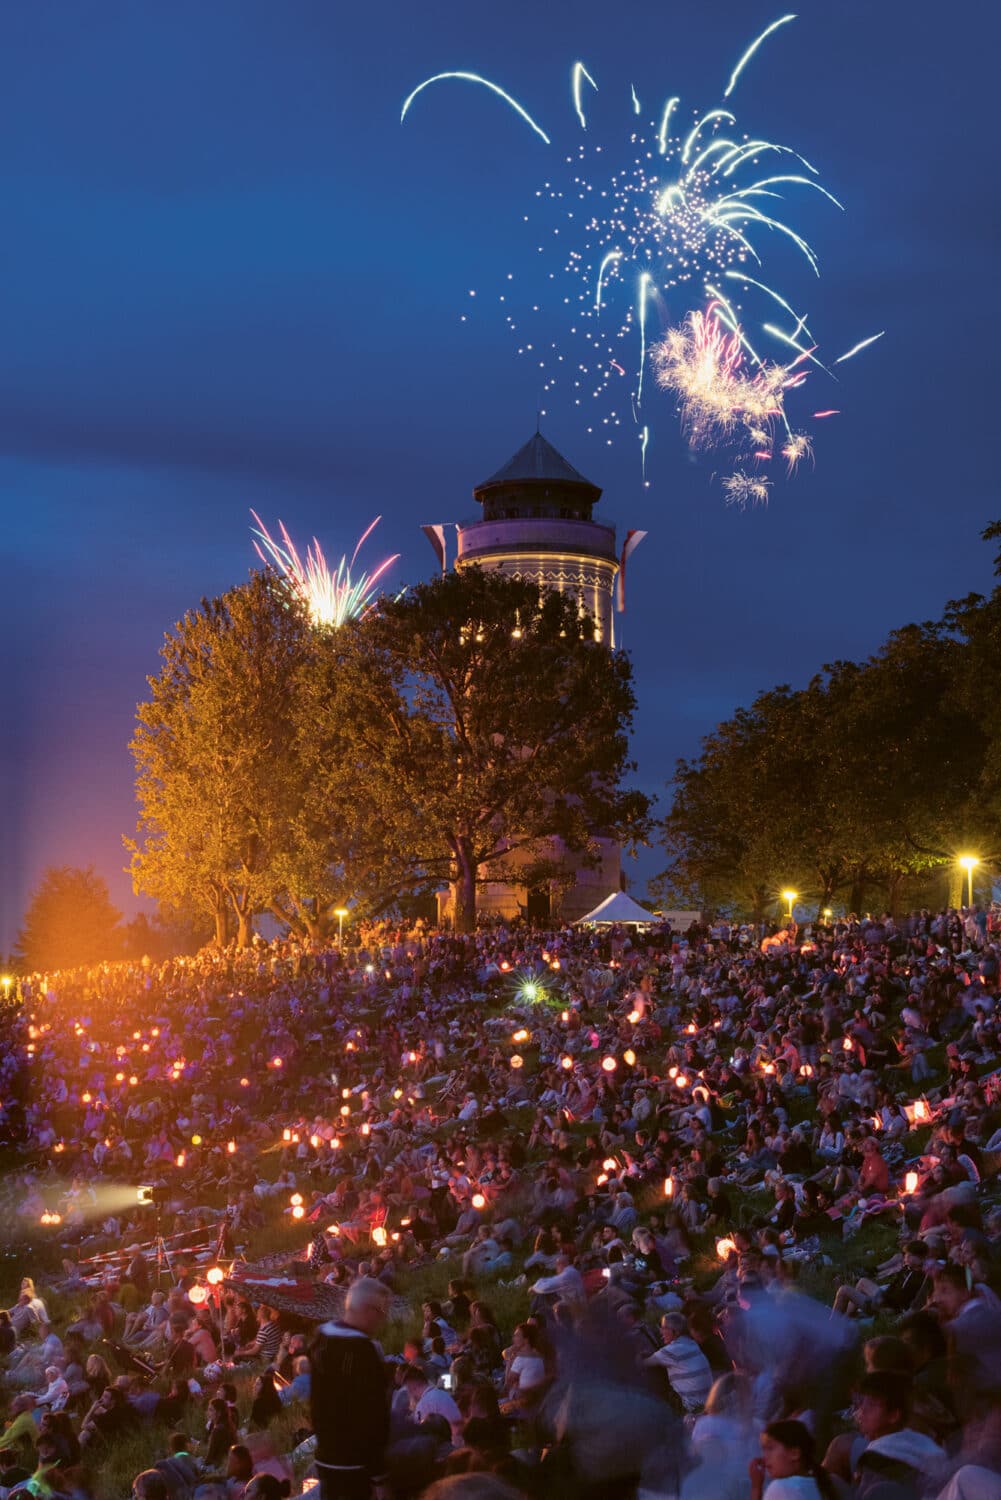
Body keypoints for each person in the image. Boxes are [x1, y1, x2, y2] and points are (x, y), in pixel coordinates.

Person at [310, 1277, 391, 1500]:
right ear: (368, 1310)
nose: (382, 1319)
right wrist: (379, 1474)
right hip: (355, 1462)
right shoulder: (362, 1351)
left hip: (326, 1455)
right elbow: (371, 1416)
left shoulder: (321, 1339)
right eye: (381, 1312)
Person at [749, 1419, 837, 1499]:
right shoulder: (829, 1482)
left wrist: (756, 1487)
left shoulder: (781, 1488)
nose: (764, 1457)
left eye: (770, 1448)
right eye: (763, 1449)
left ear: (795, 1454)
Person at [645, 1311, 713, 1413]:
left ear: (675, 1331)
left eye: (664, 1328)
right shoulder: (691, 1343)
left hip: (692, 1408)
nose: (661, 1331)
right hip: (707, 1402)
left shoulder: (673, 1350)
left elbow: (644, 1363)